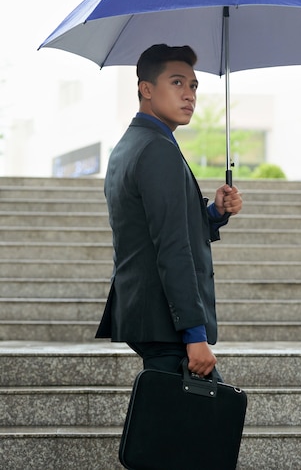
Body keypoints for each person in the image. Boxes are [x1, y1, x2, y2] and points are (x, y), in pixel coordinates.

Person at [96, 43, 242, 378]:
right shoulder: (157, 149)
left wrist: (214, 213)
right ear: (146, 89)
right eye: (177, 83)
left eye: (193, 86)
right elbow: (172, 246)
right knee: (206, 422)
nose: (189, 95)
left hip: (147, 313)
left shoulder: (130, 145)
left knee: (173, 427)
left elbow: (157, 226)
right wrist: (195, 333)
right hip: (166, 322)